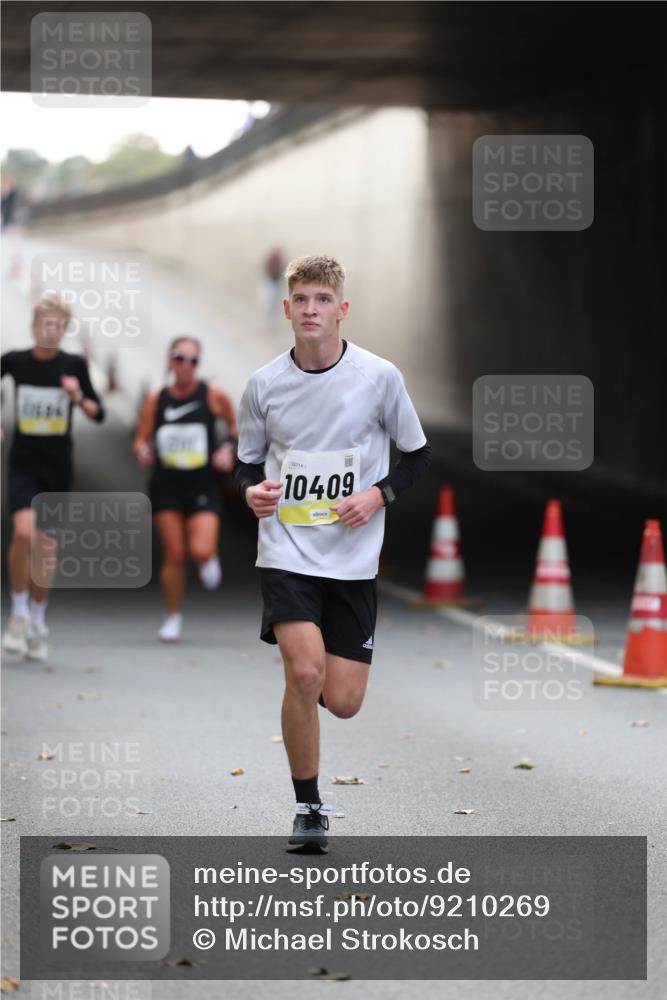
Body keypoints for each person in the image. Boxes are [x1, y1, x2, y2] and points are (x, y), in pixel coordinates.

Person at [235, 255, 431, 851]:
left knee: (341, 700)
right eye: (302, 300)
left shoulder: (379, 377)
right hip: (288, 551)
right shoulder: (264, 384)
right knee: (305, 672)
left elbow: (416, 455)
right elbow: (246, 461)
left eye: (323, 300)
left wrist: (377, 495)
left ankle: (312, 698)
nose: (311, 310)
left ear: (341, 309)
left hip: (352, 560)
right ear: (287, 307)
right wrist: (252, 491)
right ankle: (309, 808)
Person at [1, 293, 105, 660]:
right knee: (24, 532)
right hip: (24, 461)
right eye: (45, 324)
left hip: (57, 466)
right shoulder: (14, 361)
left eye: (58, 326)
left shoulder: (73, 365)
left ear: (64, 330)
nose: (50, 331)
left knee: (45, 545)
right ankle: (17, 613)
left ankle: (38, 620)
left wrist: (77, 397)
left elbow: (98, 413)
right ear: (34, 326)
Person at [133, 336, 238, 642]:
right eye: (180, 358)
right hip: (166, 484)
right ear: (170, 360)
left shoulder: (213, 395)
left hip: (202, 483)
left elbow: (233, 428)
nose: (186, 366)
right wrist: (141, 450)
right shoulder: (156, 399)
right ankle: (173, 616)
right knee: (175, 554)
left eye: (193, 360)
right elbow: (140, 438)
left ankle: (209, 559)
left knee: (200, 549)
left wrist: (227, 449)